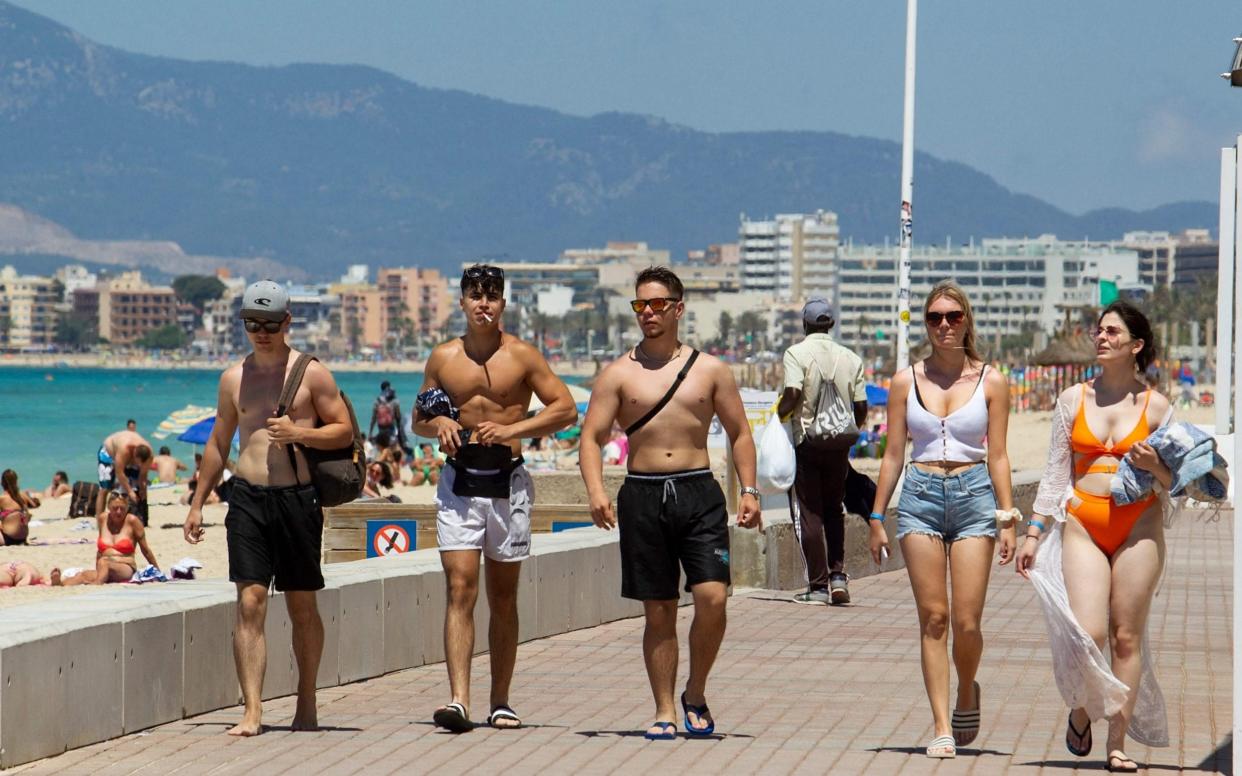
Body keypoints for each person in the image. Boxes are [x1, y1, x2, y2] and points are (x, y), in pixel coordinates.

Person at [580, 266, 762, 740]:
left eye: (658, 304)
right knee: (658, 609)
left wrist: (749, 489)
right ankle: (664, 709)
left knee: (713, 597)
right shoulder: (618, 374)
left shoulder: (711, 370)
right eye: (640, 305)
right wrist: (597, 491)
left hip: (699, 490)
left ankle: (695, 691)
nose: (649, 313)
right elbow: (591, 437)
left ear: (679, 308)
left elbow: (741, 433)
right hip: (642, 494)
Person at [182, 279, 355, 736]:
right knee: (250, 600)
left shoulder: (311, 373)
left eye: (270, 323)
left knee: (301, 606)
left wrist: (302, 435)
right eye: (253, 323)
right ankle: (253, 711)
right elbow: (220, 443)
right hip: (247, 497)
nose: (261, 332)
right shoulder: (233, 378)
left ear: (287, 322)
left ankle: (307, 703)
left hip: (297, 500)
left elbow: (344, 432)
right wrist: (198, 503)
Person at [414, 263, 576, 733]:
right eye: (474, 295)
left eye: (492, 296)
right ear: (462, 303)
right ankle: (458, 700)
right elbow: (418, 419)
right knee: (460, 587)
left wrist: (513, 429)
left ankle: (500, 700)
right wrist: (440, 424)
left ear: (502, 304)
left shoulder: (523, 356)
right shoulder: (443, 358)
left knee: (503, 596)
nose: (483, 303)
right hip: (459, 483)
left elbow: (564, 408)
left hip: (509, 481)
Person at [1016, 301, 1174, 773]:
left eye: (1112, 332)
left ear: (1136, 346)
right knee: (1091, 632)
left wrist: (1155, 467)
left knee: (1126, 636)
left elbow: (1178, 482)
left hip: (1138, 524)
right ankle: (1082, 709)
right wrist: (1034, 532)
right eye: (1099, 331)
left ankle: (1116, 745)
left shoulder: (1157, 406)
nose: (1101, 338)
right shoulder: (1072, 399)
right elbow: (1053, 473)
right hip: (1084, 522)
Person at [868, 281, 1017, 758]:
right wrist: (876, 514)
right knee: (934, 617)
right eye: (935, 318)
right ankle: (940, 726)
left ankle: (967, 685)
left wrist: (1007, 514)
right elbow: (893, 454)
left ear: (967, 320)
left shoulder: (991, 380)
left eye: (953, 316)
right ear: (926, 325)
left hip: (975, 495)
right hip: (920, 495)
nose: (945, 326)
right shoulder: (904, 381)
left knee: (967, 622)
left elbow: (998, 455)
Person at [775, 298, 867, 605]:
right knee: (834, 509)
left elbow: (792, 393)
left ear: (805, 324)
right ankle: (838, 576)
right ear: (831, 324)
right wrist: (846, 431)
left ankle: (817, 586)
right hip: (839, 445)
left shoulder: (796, 353)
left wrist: (777, 419)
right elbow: (861, 406)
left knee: (809, 513)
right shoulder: (851, 358)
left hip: (807, 442)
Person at [60, 489, 159, 586]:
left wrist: (157, 571)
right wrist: (98, 568)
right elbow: (100, 551)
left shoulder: (133, 522)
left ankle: (97, 584)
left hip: (125, 567)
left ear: (127, 508)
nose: (119, 512)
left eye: (122, 508)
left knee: (104, 563)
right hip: (103, 567)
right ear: (108, 507)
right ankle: (58, 584)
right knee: (83, 575)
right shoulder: (103, 519)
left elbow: (145, 550)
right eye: (115, 508)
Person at [96, 427, 155, 522]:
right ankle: (99, 521)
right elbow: (119, 473)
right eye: (137, 462)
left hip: (131, 456)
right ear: (134, 454)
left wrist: (142, 488)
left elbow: (143, 475)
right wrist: (130, 491)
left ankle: (141, 518)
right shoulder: (125, 450)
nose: (137, 465)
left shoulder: (149, 455)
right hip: (108, 452)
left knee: (139, 488)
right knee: (105, 488)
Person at [370, 381, 412, 456]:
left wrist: (370, 432)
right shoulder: (393, 398)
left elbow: (374, 418)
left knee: (383, 443)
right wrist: (400, 428)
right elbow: (398, 415)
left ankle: (383, 457)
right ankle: (395, 457)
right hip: (390, 425)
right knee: (393, 443)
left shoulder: (378, 400)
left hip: (381, 426)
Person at [0, 469, 39, 545]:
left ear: (2, 483)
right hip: (22, 538)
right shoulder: (23, 496)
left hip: (8, 538)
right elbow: (31, 510)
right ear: (16, 481)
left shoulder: (2, 498)